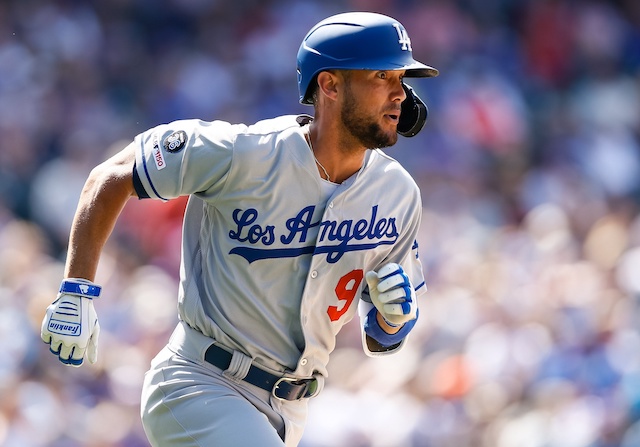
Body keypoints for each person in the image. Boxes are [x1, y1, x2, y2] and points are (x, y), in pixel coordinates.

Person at [40, 11, 439, 447]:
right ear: (329, 85)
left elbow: (381, 336)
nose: (400, 93)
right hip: (199, 384)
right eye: (382, 75)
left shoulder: (398, 193)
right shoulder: (244, 155)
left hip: (291, 410)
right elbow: (111, 176)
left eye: (402, 78)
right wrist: (76, 288)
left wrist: (393, 317)